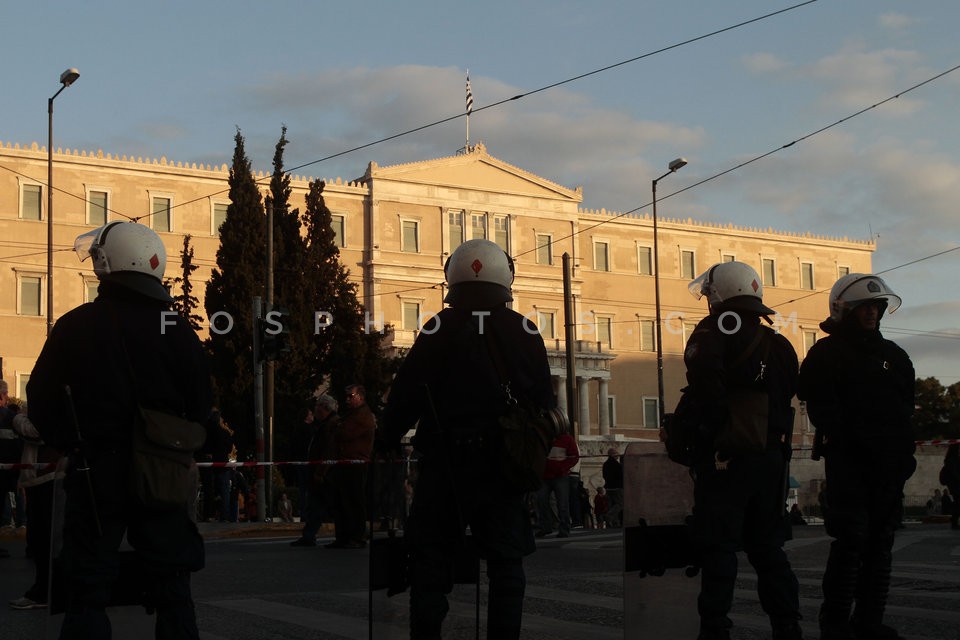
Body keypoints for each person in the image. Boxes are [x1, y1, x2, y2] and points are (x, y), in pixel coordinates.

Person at [27, 221, 212, 639]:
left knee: (88, 583)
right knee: (172, 583)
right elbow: (201, 399)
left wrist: (70, 444)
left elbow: (41, 396)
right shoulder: (172, 325)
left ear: (108, 263)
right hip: (162, 469)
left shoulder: (78, 324)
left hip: (97, 469)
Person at [379, 239, 554, 639]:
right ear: (506, 277)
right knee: (506, 565)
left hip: (445, 462)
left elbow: (406, 393)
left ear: (452, 277)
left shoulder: (437, 327)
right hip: (503, 465)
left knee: (431, 562)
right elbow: (544, 402)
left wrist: (387, 437)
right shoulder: (525, 329)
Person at [683, 261, 803, 640]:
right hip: (771, 456)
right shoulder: (780, 343)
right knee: (768, 549)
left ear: (718, 294)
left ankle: (715, 629)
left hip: (727, 457)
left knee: (719, 547)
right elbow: (789, 394)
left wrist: (708, 432)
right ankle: (787, 626)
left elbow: (704, 387)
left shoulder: (713, 330)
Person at [798, 272, 915, 640]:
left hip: (888, 467)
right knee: (850, 544)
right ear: (845, 310)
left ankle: (869, 621)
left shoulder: (894, 355)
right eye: (864, 307)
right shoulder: (825, 354)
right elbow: (820, 407)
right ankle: (835, 624)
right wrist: (854, 441)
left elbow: (905, 411)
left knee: (881, 545)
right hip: (849, 464)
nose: (871, 313)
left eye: (876, 307)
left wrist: (903, 455)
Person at [8, 406, 62, 610]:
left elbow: (36, 432)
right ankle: (48, 589)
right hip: (43, 476)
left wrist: (18, 418)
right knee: (43, 538)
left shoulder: (50, 405)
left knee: (43, 538)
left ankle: (44, 591)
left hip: (44, 477)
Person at [327, 384, 375, 549]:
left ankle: (357, 536)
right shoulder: (353, 414)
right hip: (345, 463)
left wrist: (337, 426)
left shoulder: (363, 416)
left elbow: (343, 432)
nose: (347, 399)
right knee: (342, 501)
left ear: (360, 397)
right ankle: (344, 536)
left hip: (355, 463)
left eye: (351, 396)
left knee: (354, 501)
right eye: (346, 396)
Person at [290, 393, 340, 547]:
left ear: (324, 408)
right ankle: (309, 535)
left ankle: (312, 535)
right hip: (322, 471)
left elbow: (329, 450)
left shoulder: (330, 424)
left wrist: (320, 471)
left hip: (326, 473)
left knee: (327, 504)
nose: (315, 410)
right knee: (317, 504)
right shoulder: (325, 424)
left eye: (317, 407)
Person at [535, 428, 580, 538]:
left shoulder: (567, 439)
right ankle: (545, 526)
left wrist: (562, 468)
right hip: (545, 475)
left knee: (562, 504)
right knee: (541, 501)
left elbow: (574, 456)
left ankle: (564, 529)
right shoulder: (543, 438)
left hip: (560, 476)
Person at [290, 405, 315, 521]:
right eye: (310, 414)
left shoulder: (297, 429)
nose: (312, 416)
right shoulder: (309, 430)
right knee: (309, 488)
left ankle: (303, 513)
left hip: (299, 461)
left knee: (302, 488)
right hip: (307, 461)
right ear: (306, 416)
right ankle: (308, 513)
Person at [601, 448, 624, 528]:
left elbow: (604, 476)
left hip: (608, 487)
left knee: (611, 505)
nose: (618, 455)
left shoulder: (605, 464)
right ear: (613, 454)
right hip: (617, 487)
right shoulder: (617, 465)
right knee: (620, 504)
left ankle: (614, 522)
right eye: (616, 453)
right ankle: (609, 516)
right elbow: (621, 476)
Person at [942, 444, 960, 530]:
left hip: (953, 484)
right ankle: (954, 521)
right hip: (956, 484)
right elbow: (955, 473)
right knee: (957, 503)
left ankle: (954, 521)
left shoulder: (949, 459)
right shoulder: (953, 460)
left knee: (957, 502)